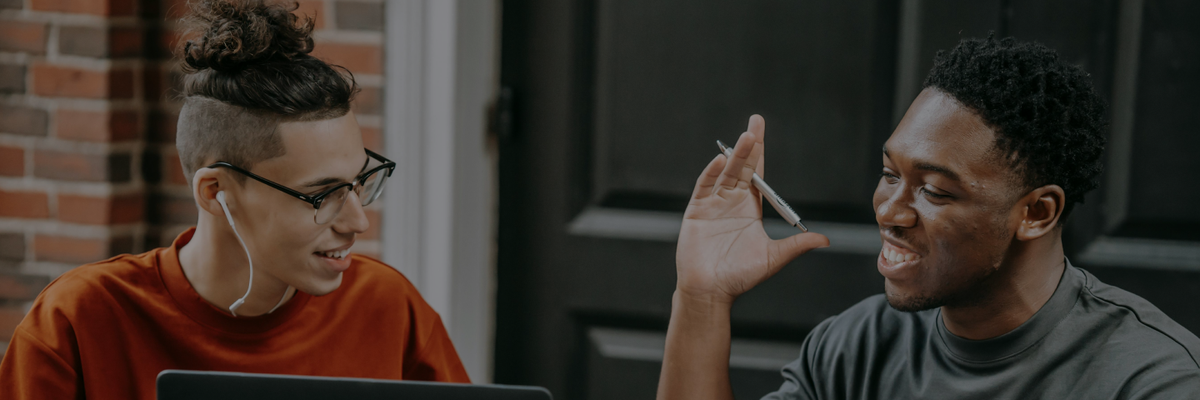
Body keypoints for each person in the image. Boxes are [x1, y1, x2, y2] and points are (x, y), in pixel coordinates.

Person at [657, 35, 1200, 399]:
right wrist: (702, 300)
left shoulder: (1152, 380)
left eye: (935, 191)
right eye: (891, 173)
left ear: (1037, 212)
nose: (890, 212)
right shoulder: (857, 347)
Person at [0, 1, 468, 398]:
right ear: (216, 192)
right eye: (321, 193)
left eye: (357, 182)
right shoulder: (76, 322)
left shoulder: (388, 306)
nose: (357, 221)